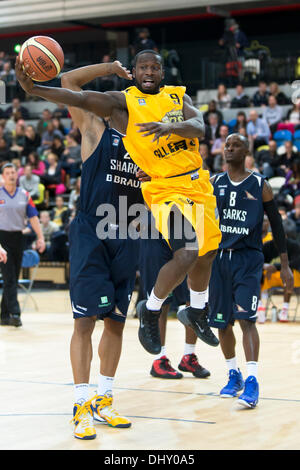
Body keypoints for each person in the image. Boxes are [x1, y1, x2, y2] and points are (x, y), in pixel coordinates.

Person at [15, 50, 222, 358]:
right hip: (163, 191)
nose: (149, 72)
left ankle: (198, 310)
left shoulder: (179, 98)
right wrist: (36, 89)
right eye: (143, 67)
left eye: (155, 67)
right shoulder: (123, 103)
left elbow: (200, 127)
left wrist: (170, 129)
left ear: (163, 73)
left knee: (207, 253)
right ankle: (151, 310)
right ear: (134, 73)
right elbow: (80, 97)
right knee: (188, 251)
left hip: (197, 184)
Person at [60, 60, 144, 440]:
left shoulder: (150, 150)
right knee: (84, 322)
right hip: (92, 233)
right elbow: (67, 81)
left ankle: (104, 399)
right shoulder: (95, 130)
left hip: (128, 234)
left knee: (116, 321)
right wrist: (109, 67)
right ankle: (81, 403)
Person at [208, 134, 293, 408]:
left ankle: (253, 381)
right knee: (222, 323)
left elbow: (277, 226)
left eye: (235, 145)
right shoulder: (214, 183)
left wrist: (286, 265)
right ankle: (234, 374)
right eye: (227, 145)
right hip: (219, 259)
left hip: (248, 259)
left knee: (247, 320)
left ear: (246, 151)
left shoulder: (260, 184)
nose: (229, 148)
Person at [138, 208, 210, 380]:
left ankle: (189, 356)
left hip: (186, 222)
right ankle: (159, 359)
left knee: (192, 297)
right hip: (156, 231)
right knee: (161, 300)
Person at [0, 163, 45, 327]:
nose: (11, 175)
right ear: (3, 176)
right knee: (9, 277)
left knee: (12, 277)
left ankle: (3, 315)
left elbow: (33, 217)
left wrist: (40, 237)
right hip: (2, 239)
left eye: (13, 172)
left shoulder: (25, 194)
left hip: (18, 238)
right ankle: (15, 314)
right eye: (8, 173)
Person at [260, 215, 300, 322]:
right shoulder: (268, 246)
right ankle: (260, 309)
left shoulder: (294, 246)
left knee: (290, 273)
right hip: (271, 277)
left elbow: (296, 262)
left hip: (288, 278)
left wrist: (276, 267)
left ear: (285, 235)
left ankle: (284, 311)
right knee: (258, 272)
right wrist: (266, 267)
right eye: (274, 234)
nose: (275, 236)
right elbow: (258, 260)